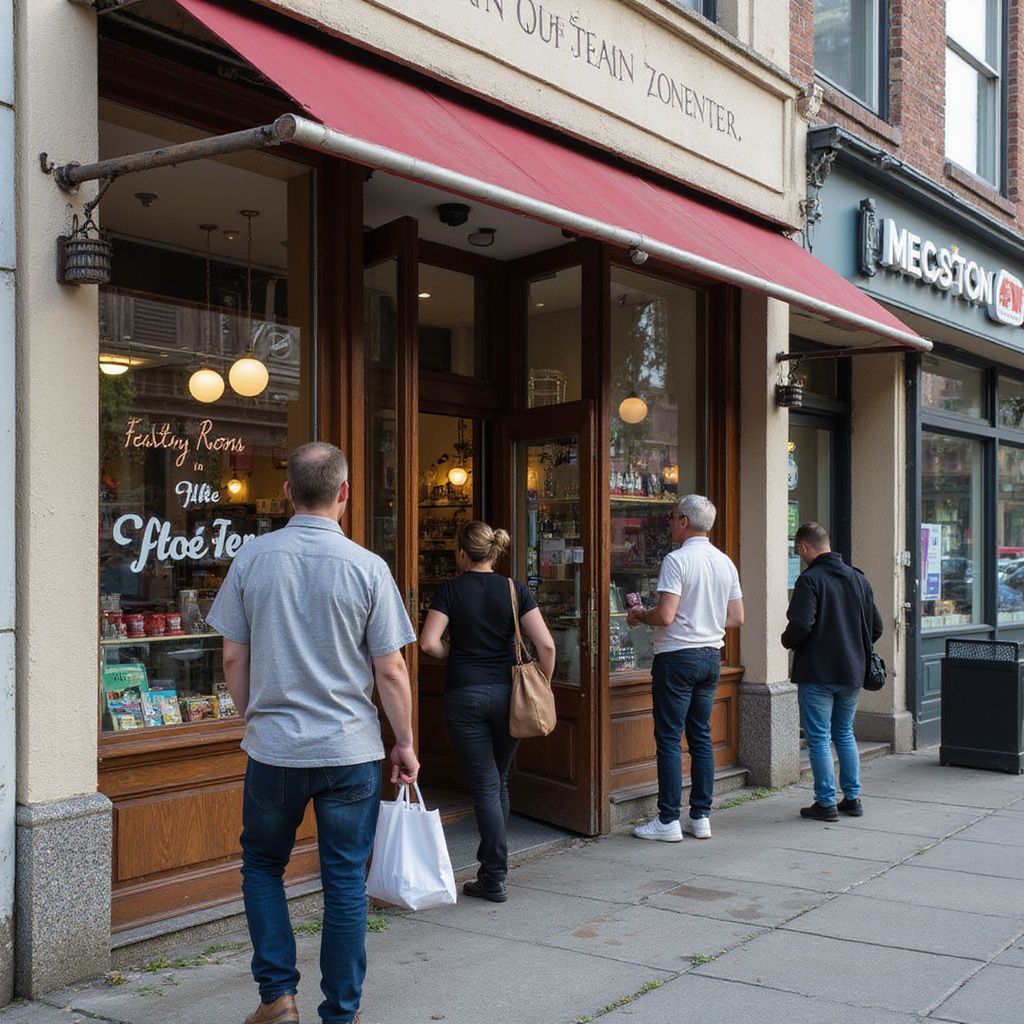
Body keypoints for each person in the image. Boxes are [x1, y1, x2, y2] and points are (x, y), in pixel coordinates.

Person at [207, 442, 419, 1024]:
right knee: (346, 881)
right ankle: (340, 1013)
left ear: (286, 493)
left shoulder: (252, 559)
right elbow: (392, 668)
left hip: (275, 749)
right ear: (344, 493)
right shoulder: (368, 567)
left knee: (261, 866)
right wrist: (403, 742)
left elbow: (232, 658)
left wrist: (255, 717)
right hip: (350, 748)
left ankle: (277, 996)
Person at [419, 521, 556, 903]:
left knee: (484, 784)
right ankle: (494, 870)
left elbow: (429, 644)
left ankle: (493, 875)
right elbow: (546, 646)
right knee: (498, 781)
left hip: (464, 694)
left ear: (462, 553)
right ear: (494, 552)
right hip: (509, 696)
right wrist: (541, 684)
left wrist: (454, 653)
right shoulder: (515, 590)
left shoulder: (450, 589)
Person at [627, 495, 743, 843]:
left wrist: (638, 616)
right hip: (711, 656)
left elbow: (664, 616)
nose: (668, 521)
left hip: (677, 656)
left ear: (684, 521)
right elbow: (737, 618)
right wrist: (704, 619)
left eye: (671, 516)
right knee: (701, 737)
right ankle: (701, 816)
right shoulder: (725, 562)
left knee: (668, 738)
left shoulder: (676, 561)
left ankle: (667, 820)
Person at [782, 521, 883, 822]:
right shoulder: (858, 579)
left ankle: (825, 803)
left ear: (804, 547)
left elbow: (801, 624)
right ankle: (852, 798)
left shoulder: (810, 581)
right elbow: (875, 627)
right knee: (844, 733)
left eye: (799, 551)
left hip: (817, 672)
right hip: (853, 670)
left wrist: (787, 641)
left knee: (819, 737)